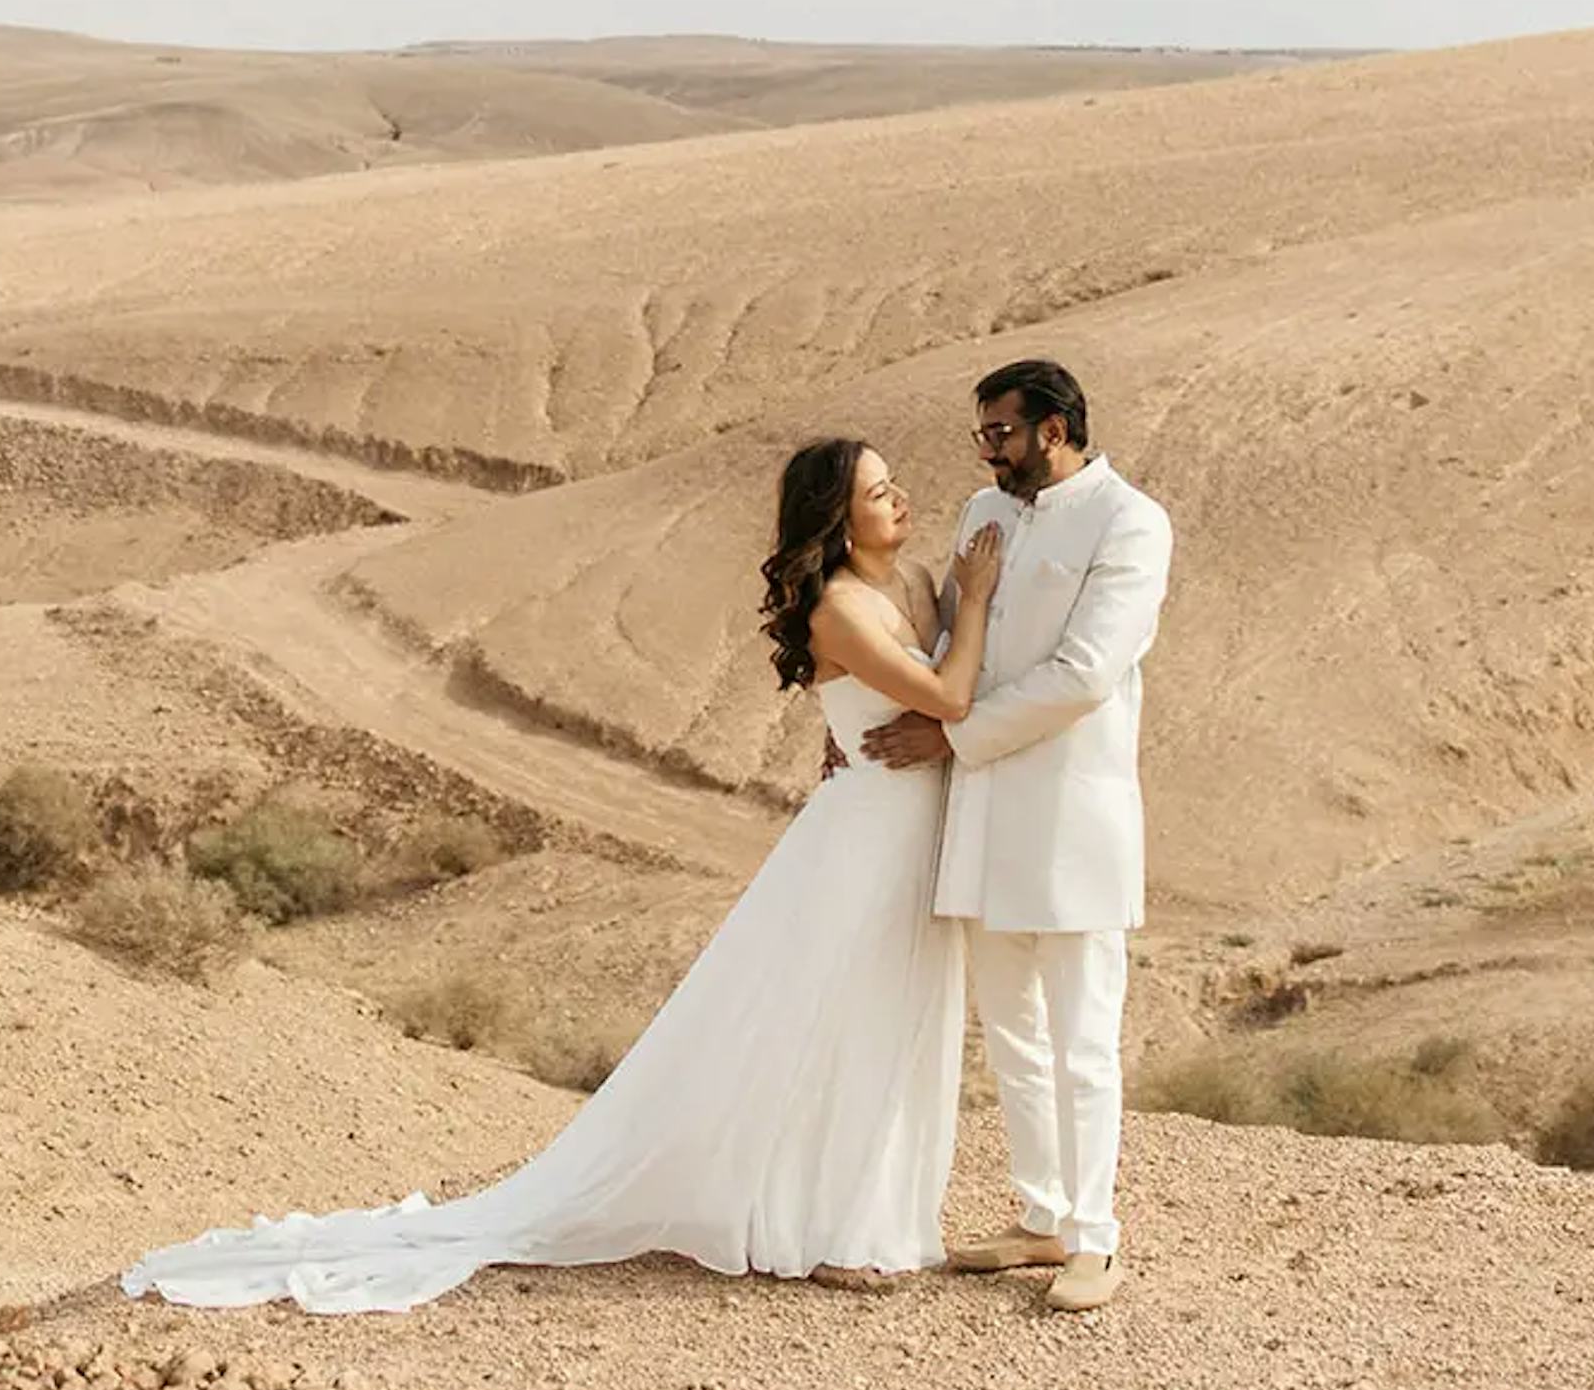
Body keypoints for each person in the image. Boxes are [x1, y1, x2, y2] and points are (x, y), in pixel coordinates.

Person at [121, 439, 1002, 1313]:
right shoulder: (841, 609)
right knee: (840, 1023)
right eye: (879, 491)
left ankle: (879, 1214)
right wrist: (983, 605)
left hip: (907, 830)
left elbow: (927, 702)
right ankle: (821, 1229)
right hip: (857, 844)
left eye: (893, 483)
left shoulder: (917, 584)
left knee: (897, 1015)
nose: (900, 498)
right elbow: (952, 696)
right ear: (836, 521)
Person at [862, 358, 1173, 1314]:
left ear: (1055, 428)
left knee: (1084, 1038)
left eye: (1001, 432)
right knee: (1011, 1036)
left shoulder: (1131, 521)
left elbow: (1084, 674)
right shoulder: (979, 513)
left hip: (1072, 817)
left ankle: (1095, 1236)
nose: (988, 450)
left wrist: (955, 733)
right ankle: (1040, 1214)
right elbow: (962, 636)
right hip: (983, 814)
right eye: (982, 435)